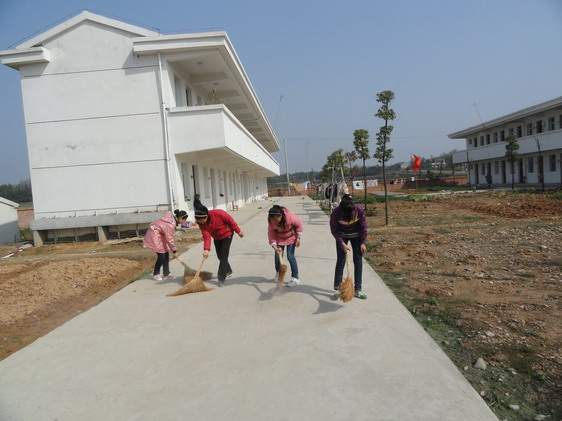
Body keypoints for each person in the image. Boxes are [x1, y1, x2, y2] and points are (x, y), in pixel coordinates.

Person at [329, 194, 368, 300]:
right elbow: (334, 230)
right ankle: (338, 288)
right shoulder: (336, 213)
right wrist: (342, 243)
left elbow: (363, 227)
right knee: (341, 261)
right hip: (342, 235)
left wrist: (362, 242)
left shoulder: (359, 210)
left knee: (358, 261)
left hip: (356, 236)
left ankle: (358, 289)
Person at [194, 205, 244, 287]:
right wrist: (206, 250)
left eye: (202, 220)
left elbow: (231, 221)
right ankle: (228, 271)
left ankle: (221, 278)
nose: (201, 223)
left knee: (224, 256)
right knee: (220, 256)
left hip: (227, 234)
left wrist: (238, 231)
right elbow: (206, 236)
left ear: (206, 216)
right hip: (217, 237)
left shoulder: (219, 213)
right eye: (198, 221)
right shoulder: (201, 224)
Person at [143, 209, 188, 281]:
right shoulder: (170, 224)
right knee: (161, 256)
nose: (184, 222)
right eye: (184, 220)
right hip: (154, 236)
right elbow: (170, 239)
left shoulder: (171, 219)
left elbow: (169, 237)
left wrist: (173, 250)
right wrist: (174, 251)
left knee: (166, 254)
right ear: (180, 218)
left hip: (160, 236)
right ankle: (156, 274)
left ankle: (166, 273)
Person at [267, 205, 303, 287]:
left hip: (291, 237)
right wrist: (274, 247)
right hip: (279, 238)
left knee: (290, 256)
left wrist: (298, 238)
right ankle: (278, 272)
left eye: (275, 220)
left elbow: (299, 225)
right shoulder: (270, 220)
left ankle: (295, 278)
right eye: (272, 220)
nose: (274, 222)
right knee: (278, 256)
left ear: (280, 216)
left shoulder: (290, 217)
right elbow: (271, 233)